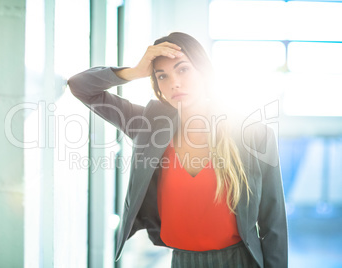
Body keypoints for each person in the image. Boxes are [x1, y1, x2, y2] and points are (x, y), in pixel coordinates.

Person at [68, 32, 288, 268]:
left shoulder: (253, 134)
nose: (174, 83)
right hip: (181, 261)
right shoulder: (148, 125)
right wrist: (135, 71)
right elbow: (81, 87)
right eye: (162, 76)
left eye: (183, 69)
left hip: (240, 261)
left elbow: (273, 224)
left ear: (203, 71)